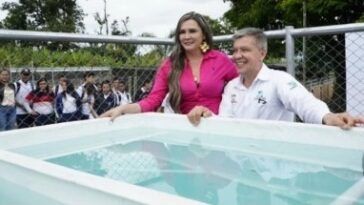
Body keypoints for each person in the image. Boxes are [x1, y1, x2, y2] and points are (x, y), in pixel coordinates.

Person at [187, 27, 364, 129]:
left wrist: (327, 116)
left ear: (262, 53)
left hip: (273, 168)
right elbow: (225, 122)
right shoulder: (231, 86)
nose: (237, 55)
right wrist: (208, 115)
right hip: (240, 161)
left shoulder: (278, 80)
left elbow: (304, 102)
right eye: (235, 50)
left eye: (245, 50)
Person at [101, 11, 238, 119]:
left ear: (203, 35)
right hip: (185, 131)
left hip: (217, 127)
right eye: (182, 32)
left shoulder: (220, 59)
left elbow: (241, 87)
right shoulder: (169, 64)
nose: (186, 36)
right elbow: (153, 100)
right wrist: (123, 109)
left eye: (192, 31)